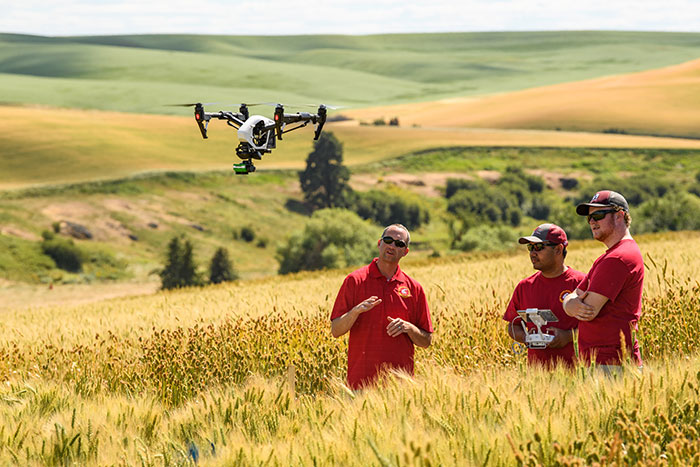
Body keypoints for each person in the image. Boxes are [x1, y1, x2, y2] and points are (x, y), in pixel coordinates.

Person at [330, 224, 433, 390]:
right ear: (379, 243)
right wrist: (356, 311)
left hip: (401, 386)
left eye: (399, 244)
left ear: (405, 252)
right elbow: (336, 330)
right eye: (388, 240)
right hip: (361, 385)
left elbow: (426, 341)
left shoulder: (414, 288)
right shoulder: (355, 281)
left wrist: (408, 327)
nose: (392, 246)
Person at [563, 190, 644, 370]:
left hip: (611, 363)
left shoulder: (618, 258)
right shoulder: (609, 257)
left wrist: (571, 302)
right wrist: (569, 302)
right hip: (604, 361)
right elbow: (571, 299)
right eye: (589, 218)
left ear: (619, 216)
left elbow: (588, 310)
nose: (592, 221)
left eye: (598, 215)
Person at [503, 223, 585, 368]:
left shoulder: (581, 284)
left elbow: (600, 326)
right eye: (530, 247)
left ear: (558, 250)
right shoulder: (524, 287)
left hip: (578, 372)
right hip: (537, 378)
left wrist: (568, 337)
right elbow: (513, 326)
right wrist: (527, 339)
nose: (532, 253)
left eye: (539, 247)